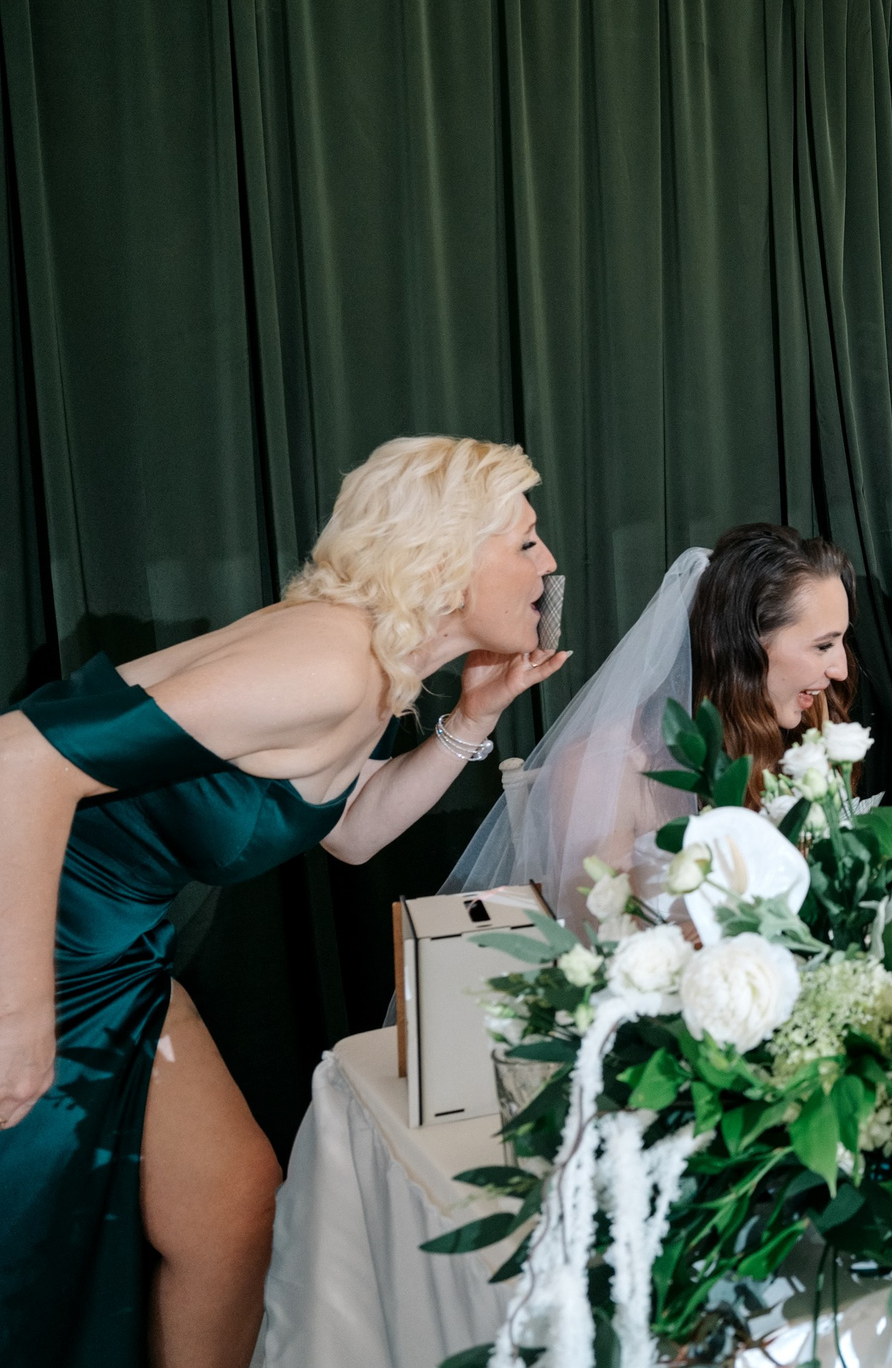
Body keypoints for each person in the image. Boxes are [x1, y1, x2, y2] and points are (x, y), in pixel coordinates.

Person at [0, 436, 571, 1368]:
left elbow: (348, 832)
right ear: (444, 555)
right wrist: (18, 1012)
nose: (546, 564)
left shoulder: (369, 663)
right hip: (28, 940)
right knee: (27, 1259)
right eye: (524, 541)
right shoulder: (327, 661)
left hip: (113, 955)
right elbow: (15, 759)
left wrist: (471, 718)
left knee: (230, 1213)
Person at [444, 521, 860, 921]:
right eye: (822, 645)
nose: (840, 668)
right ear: (741, 648)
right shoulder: (604, 768)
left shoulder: (808, 730)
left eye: (840, 641)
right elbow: (598, 938)